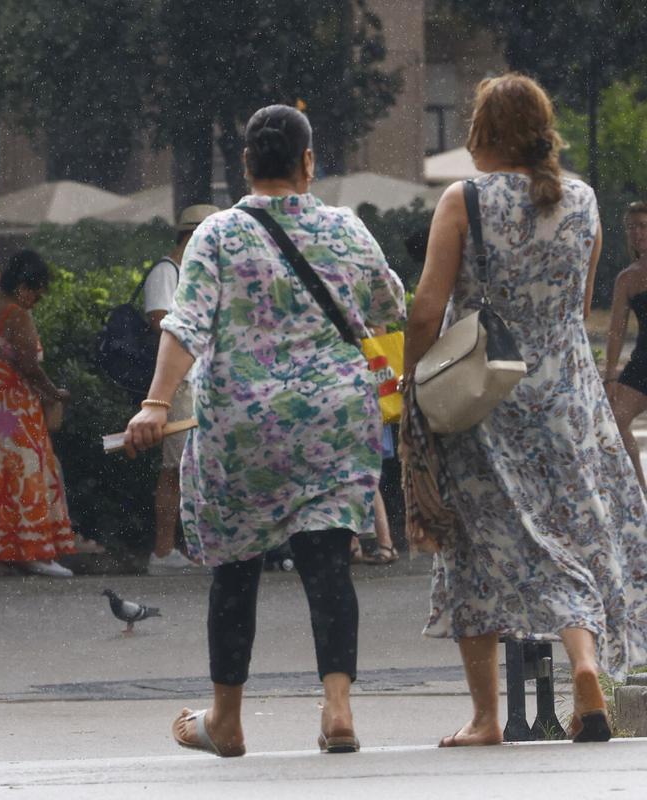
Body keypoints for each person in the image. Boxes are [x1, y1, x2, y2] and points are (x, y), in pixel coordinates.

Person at [124, 104, 406, 757]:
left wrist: (156, 403)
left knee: (235, 567)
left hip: (241, 427)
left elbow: (186, 323)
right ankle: (338, 709)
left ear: (246, 166)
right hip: (334, 423)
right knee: (329, 563)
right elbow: (393, 307)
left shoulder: (218, 235)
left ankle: (226, 718)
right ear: (309, 163)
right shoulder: (347, 230)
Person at [404, 73, 647, 746]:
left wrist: (408, 383)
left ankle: (486, 717)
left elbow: (427, 308)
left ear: (483, 134)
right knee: (569, 540)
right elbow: (579, 301)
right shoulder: (585, 200)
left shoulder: (465, 200)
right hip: (568, 401)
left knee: (475, 544)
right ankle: (587, 666)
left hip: (485, 396)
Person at [0, 250, 78, 577]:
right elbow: (28, 365)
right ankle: (34, 550)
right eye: (38, 288)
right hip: (14, 411)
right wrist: (55, 393)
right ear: (25, 284)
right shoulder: (17, 315)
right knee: (28, 474)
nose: (39, 297)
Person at [142, 204, 218, 576]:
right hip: (177, 386)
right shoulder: (166, 272)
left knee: (194, 468)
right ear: (191, 237)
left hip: (196, 382)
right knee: (175, 468)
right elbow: (161, 323)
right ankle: (162, 550)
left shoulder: (193, 274)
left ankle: (185, 546)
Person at [603, 200, 647, 487]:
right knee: (615, 422)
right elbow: (616, 331)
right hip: (643, 363)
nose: (637, 232)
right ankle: (642, 492)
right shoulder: (627, 279)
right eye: (631, 227)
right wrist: (610, 376)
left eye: (642, 225)